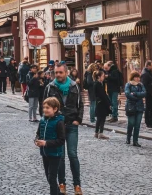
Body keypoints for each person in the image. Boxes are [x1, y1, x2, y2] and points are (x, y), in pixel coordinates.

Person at [43, 63, 84, 195]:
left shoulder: (74, 86)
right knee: (60, 156)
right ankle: (62, 184)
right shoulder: (50, 87)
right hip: (57, 124)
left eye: (60, 72)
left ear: (66, 72)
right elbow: (44, 105)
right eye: (56, 73)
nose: (58, 75)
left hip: (72, 124)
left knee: (73, 155)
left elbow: (80, 104)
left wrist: (78, 119)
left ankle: (77, 184)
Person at [35, 98, 65, 195]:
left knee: (52, 177)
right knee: (49, 177)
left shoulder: (59, 122)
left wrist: (46, 143)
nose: (45, 110)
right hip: (44, 153)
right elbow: (38, 133)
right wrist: (36, 140)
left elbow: (61, 140)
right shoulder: (42, 120)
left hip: (55, 154)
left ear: (55, 109)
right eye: (44, 107)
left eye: (47, 108)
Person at [124, 71, 145, 147]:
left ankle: (135, 141)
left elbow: (144, 93)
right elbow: (127, 94)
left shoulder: (141, 85)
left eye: (138, 77)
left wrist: (135, 94)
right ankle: (128, 138)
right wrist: (137, 98)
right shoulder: (128, 85)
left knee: (137, 124)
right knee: (131, 123)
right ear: (133, 77)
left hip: (139, 107)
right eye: (136, 77)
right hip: (131, 106)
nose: (138, 79)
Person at [92, 69, 110, 140]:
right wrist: (108, 103)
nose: (104, 77)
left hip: (100, 103)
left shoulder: (99, 83)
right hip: (101, 103)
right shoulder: (98, 84)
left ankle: (96, 132)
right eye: (103, 76)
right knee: (102, 118)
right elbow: (103, 95)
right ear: (99, 77)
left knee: (99, 118)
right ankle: (100, 133)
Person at [140, 60, 152, 129]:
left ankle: (151, 121)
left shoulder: (149, 73)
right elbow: (144, 85)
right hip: (148, 93)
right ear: (148, 66)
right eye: (151, 65)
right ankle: (148, 122)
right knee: (148, 108)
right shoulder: (145, 74)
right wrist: (151, 86)